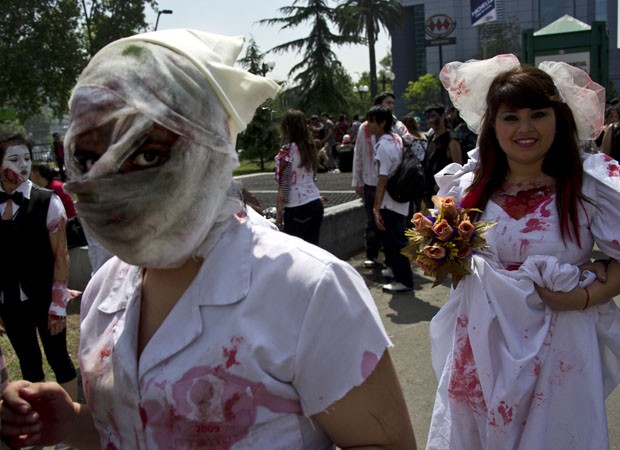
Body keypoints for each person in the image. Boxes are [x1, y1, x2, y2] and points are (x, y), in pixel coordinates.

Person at [0, 29, 416, 450]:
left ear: (211, 149)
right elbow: (133, 433)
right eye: (88, 159)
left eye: (146, 154)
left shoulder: (310, 291)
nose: (108, 182)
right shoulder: (103, 292)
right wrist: (74, 422)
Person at [425, 53, 620, 449]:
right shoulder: (466, 190)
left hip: (561, 347)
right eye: (510, 117)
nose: (525, 128)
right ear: (492, 127)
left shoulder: (589, 187)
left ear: (559, 118)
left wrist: (586, 296)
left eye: (538, 114)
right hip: (482, 348)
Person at [0, 132, 78, 402]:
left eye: (27, 158)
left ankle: (68, 431)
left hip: (45, 298)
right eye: (14, 158)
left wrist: (58, 304)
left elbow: (61, 257)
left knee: (59, 359)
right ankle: (44, 423)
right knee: (29, 364)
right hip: (9, 301)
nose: (23, 165)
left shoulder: (48, 201)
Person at [352, 92, 412, 269]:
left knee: (390, 225)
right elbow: (359, 153)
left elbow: (408, 141)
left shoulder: (397, 126)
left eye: (393, 103)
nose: (391, 106)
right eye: (387, 103)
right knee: (373, 221)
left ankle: (391, 261)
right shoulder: (365, 128)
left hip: (390, 182)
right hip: (370, 179)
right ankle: (372, 253)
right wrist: (357, 180)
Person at [367, 106, 414, 293]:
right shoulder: (396, 140)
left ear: (382, 123)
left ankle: (404, 280)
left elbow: (382, 180)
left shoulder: (384, 146)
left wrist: (376, 207)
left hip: (389, 201)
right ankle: (397, 275)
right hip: (399, 198)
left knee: (394, 242)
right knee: (396, 240)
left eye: (372, 121)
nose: (368, 125)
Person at [275, 109, 324, 245]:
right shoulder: (310, 147)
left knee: (297, 252)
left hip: (296, 207)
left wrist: (279, 213)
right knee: (313, 249)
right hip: (315, 203)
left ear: (286, 128)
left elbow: (284, 184)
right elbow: (312, 176)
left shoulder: (286, 151)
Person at [422, 104, 462, 207]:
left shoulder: (451, 139)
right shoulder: (431, 138)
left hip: (444, 194)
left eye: (434, 116)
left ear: (443, 116)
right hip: (430, 192)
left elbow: (458, 168)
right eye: (428, 117)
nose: (431, 120)